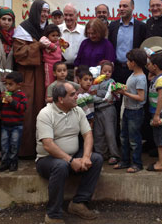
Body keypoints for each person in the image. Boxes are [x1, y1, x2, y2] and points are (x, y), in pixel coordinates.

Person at [36, 82, 103, 223]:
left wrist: (85, 157)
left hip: (72, 158)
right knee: (60, 166)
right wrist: (70, 161)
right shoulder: (45, 114)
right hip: (47, 160)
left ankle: (78, 203)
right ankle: (53, 215)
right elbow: (48, 145)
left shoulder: (78, 110)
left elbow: (88, 135)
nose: (77, 96)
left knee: (96, 159)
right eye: (72, 94)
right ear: (61, 99)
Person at [13, 0, 49, 157]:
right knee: (28, 112)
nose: (45, 15)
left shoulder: (47, 29)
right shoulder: (23, 30)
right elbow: (19, 54)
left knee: (45, 110)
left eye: (47, 12)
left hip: (45, 75)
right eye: (42, 11)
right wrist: (37, 46)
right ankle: (26, 150)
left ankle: (44, 148)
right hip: (29, 77)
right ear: (35, 12)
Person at [114, 48, 147, 173]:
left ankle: (137, 163)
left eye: (128, 61)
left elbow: (140, 97)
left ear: (134, 62)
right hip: (128, 109)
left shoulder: (140, 78)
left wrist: (124, 93)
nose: (127, 63)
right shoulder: (133, 75)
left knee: (134, 139)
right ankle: (125, 161)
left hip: (135, 112)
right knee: (124, 137)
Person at [108, 0, 146, 85]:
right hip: (116, 70)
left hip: (134, 70)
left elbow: (144, 48)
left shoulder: (141, 26)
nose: (121, 9)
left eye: (125, 6)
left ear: (132, 7)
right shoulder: (113, 26)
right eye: (120, 6)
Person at [0, 72, 27, 172]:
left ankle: (13, 162)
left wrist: (12, 101)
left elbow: (22, 108)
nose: (8, 87)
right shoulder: (5, 95)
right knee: (4, 145)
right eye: (6, 84)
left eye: (10, 84)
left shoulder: (21, 95)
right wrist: (1, 100)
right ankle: (5, 162)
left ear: (19, 85)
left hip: (16, 126)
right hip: (5, 125)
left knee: (14, 145)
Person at [92, 60, 121, 165]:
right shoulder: (95, 81)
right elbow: (91, 93)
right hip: (97, 110)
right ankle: (101, 153)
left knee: (110, 133)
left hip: (108, 109)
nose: (107, 73)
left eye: (109, 71)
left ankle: (114, 154)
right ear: (100, 71)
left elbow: (110, 96)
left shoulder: (112, 82)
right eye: (105, 71)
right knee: (98, 133)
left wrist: (97, 93)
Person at [146, 54, 162, 172]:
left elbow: (161, 97)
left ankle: (161, 163)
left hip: (160, 112)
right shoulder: (159, 77)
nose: (147, 66)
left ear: (155, 66)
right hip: (159, 111)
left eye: (149, 64)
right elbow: (150, 77)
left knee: (160, 138)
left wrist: (156, 115)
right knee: (161, 137)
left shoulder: (160, 80)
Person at [59, 3, 86, 79]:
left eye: (71, 15)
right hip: (61, 70)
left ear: (76, 16)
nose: (68, 18)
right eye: (65, 15)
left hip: (79, 70)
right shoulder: (57, 30)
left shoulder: (84, 31)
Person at [40, 24, 65, 89]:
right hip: (49, 65)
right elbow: (42, 40)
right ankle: (48, 97)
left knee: (59, 83)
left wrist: (66, 45)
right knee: (49, 83)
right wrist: (51, 46)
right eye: (53, 35)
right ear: (47, 35)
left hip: (58, 65)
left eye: (57, 35)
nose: (55, 37)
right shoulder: (46, 40)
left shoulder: (58, 41)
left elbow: (65, 44)